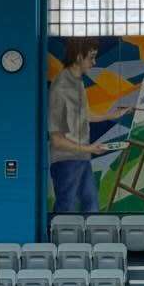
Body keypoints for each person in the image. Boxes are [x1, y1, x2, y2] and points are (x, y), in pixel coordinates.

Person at [48, 39, 131, 214]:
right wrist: (89, 148)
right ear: (79, 57)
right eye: (91, 57)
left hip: (81, 158)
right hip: (66, 160)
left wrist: (112, 115)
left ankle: (91, 242)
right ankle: (59, 241)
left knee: (91, 207)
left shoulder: (77, 82)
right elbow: (56, 140)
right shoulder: (62, 86)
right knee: (66, 210)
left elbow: (84, 115)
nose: (94, 62)